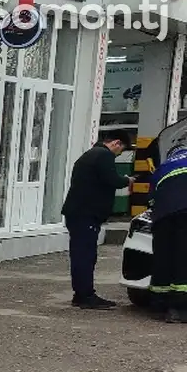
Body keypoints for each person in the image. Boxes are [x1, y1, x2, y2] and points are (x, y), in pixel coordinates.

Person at [60, 129, 133, 309]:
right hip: (86, 214)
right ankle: (85, 296)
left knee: (81, 254)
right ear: (116, 143)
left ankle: (81, 293)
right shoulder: (103, 155)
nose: (118, 154)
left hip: (78, 213)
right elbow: (112, 180)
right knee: (85, 256)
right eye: (121, 150)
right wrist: (128, 180)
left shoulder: (90, 154)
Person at [150, 145, 187, 323]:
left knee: (162, 257)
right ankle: (180, 309)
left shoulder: (163, 167)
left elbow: (151, 199)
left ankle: (158, 305)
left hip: (162, 215)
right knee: (183, 257)